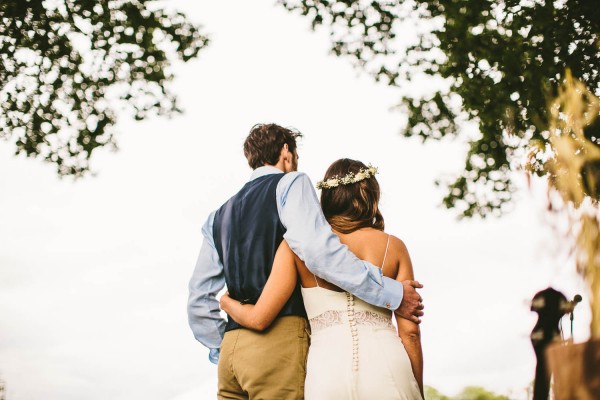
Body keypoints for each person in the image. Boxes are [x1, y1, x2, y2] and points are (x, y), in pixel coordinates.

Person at [187, 124, 424, 399]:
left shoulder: (217, 216)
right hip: (279, 346)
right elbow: (319, 252)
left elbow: (198, 298)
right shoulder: (291, 183)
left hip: (232, 352)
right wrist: (392, 292)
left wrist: (226, 343)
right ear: (286, 152)